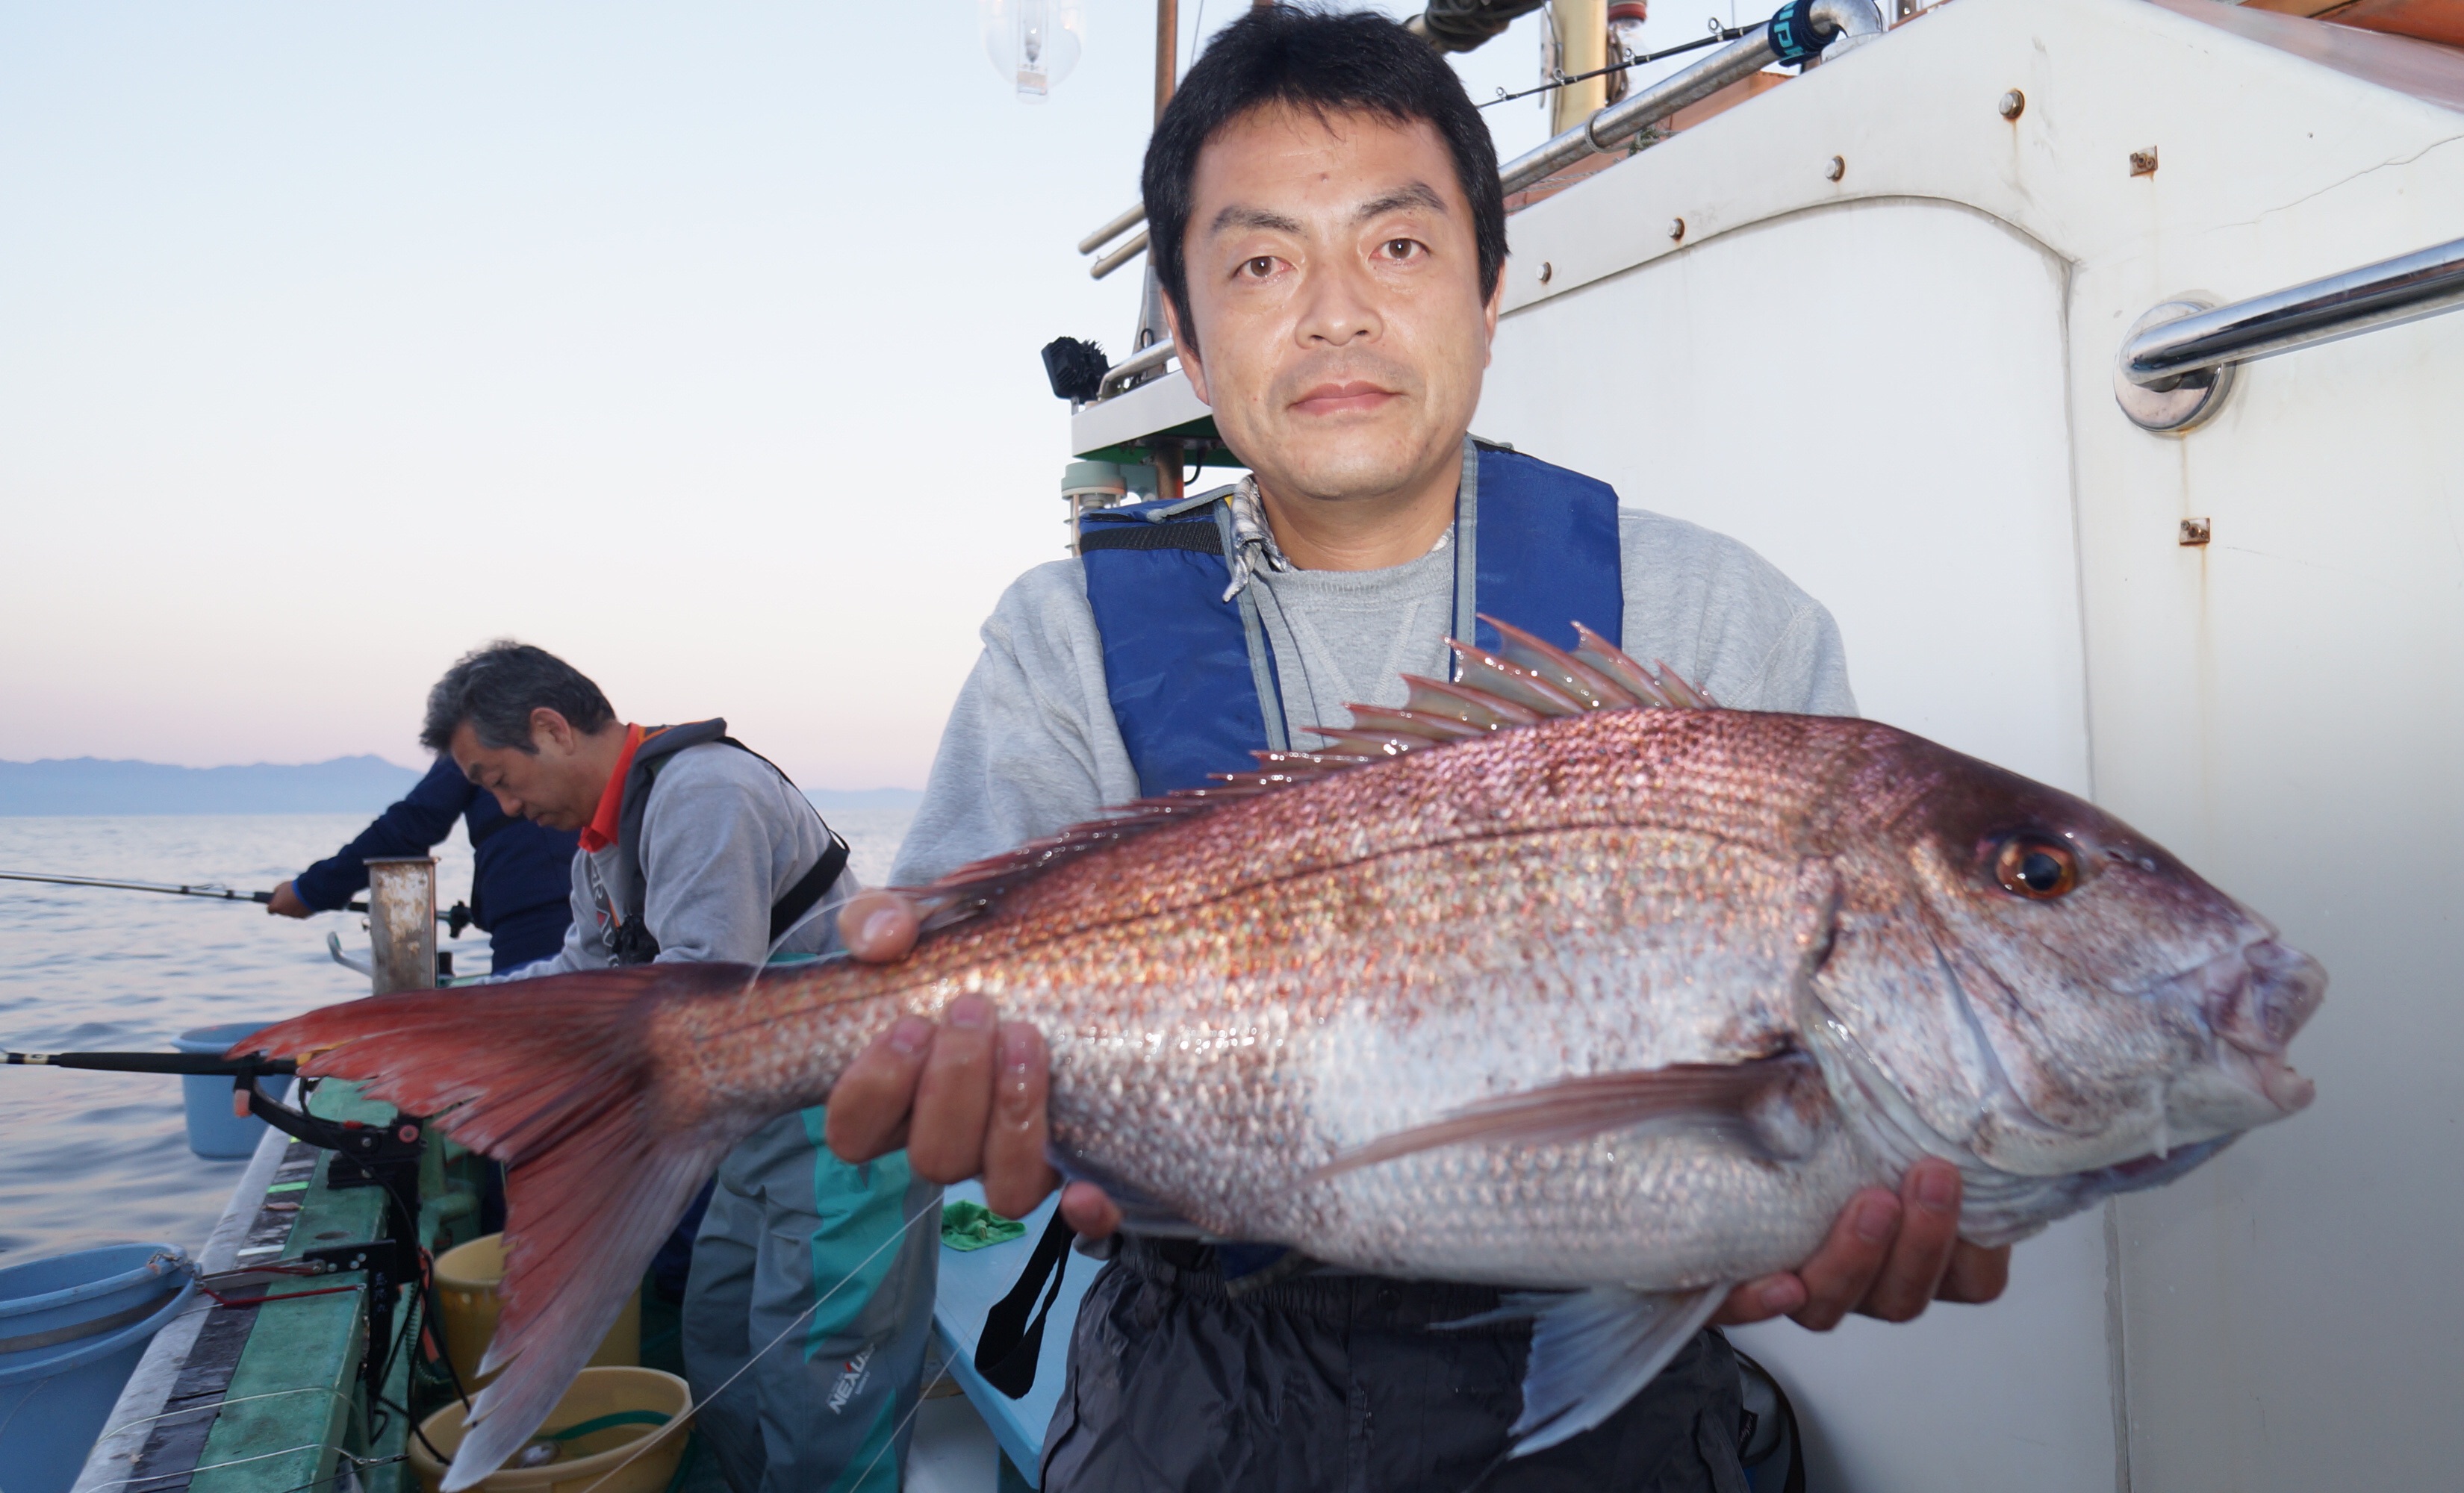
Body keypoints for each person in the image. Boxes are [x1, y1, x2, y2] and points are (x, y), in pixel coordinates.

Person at [818, 9, 2009, 1490]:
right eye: (1261, 264)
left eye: (1396, 245)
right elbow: (941, 1007)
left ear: (1490, 290)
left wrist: (1824, 1192)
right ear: (1184, 333)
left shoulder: (1722, 621)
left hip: (1618, 1410)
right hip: (1187, 1388)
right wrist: (921, 1056)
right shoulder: (1060, 638)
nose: (1334, 314)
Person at [420, 640, 936, 1493]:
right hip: (751, 1129)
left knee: (817, 1385)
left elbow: (703, 987)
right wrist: (445, 1022)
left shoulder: (704, 792)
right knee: (719, 1339)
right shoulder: (600, 848)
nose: (506, 807)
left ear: (551, 728)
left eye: (500, 778)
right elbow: (582, 973)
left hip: (842, 1122)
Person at [267, 753, 579, 973]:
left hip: (535, 926)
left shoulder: (484, 724)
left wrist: (308, 892)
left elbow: (412, 824)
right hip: (595, 912)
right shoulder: (576, 717)